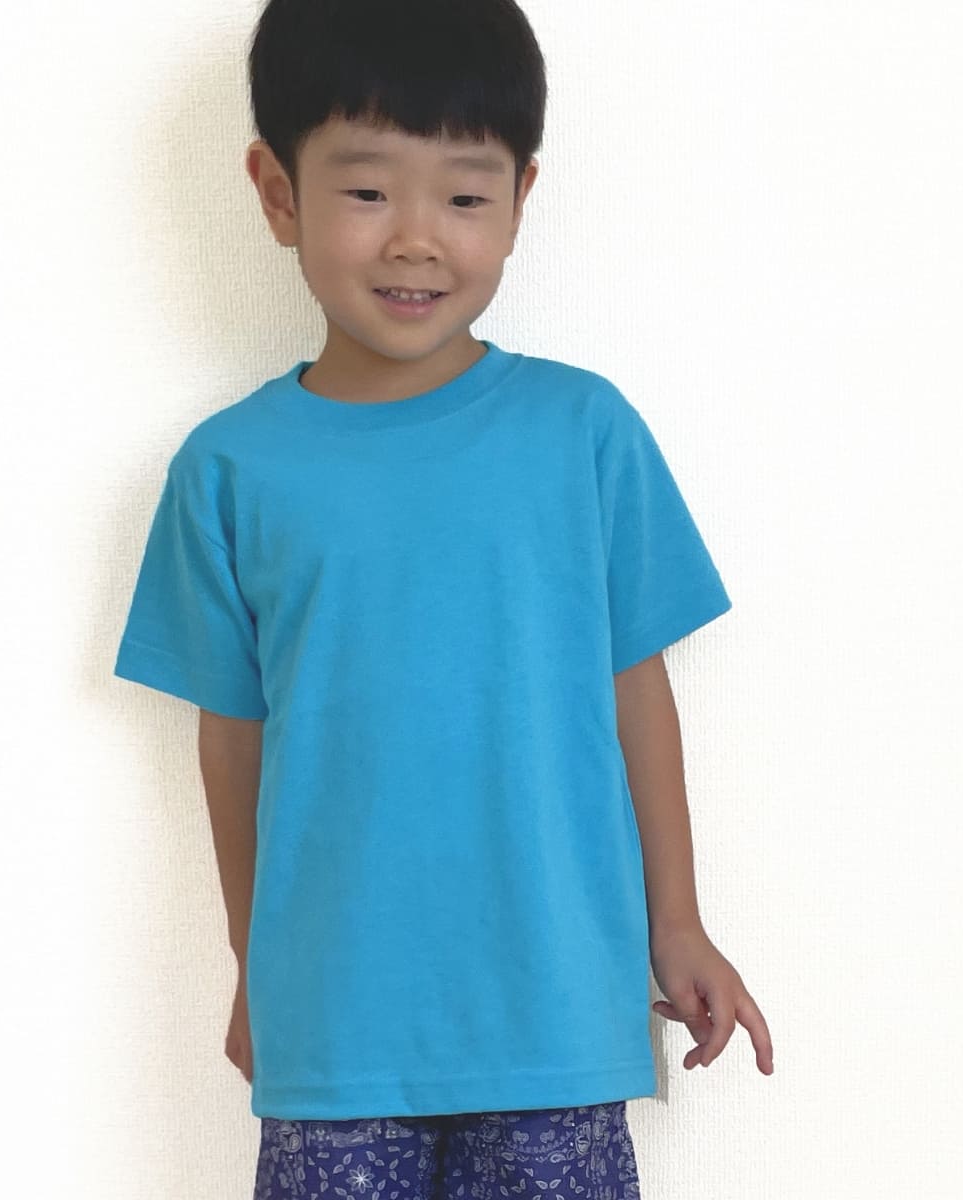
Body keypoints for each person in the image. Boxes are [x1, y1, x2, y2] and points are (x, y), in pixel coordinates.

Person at [113, 0, 774, 1195]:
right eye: (368, 191)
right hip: (335, 1025)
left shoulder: (584, 433)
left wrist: (676, 925)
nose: (417, 239)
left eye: (465, 196)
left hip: (557, 1015)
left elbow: (636, 689)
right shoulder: (228, 470)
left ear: (521, 201)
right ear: (277, 192)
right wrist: (256, 964)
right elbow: (232, 739)